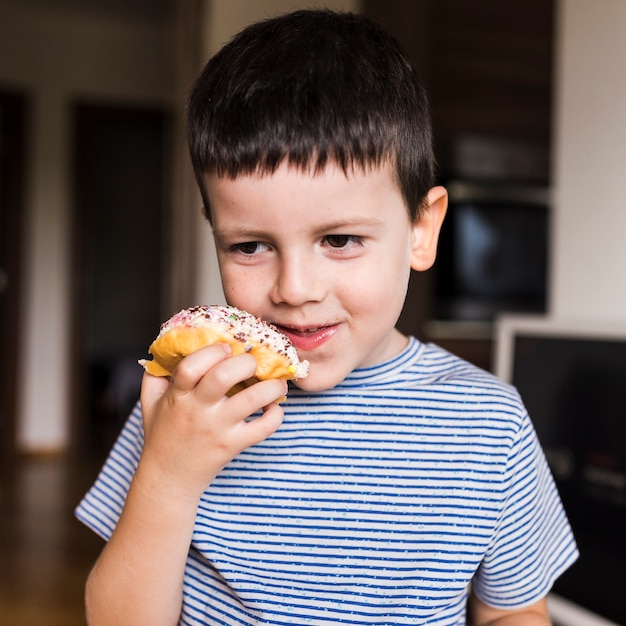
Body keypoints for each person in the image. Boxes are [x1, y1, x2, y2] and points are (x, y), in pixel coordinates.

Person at [76, 9, 578, 625]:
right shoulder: (190, 400)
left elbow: (512, 612)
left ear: (423, 229)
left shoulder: (488, 424)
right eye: (250, 246)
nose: (295, 289)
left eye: (339, 239)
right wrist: (169, 477)